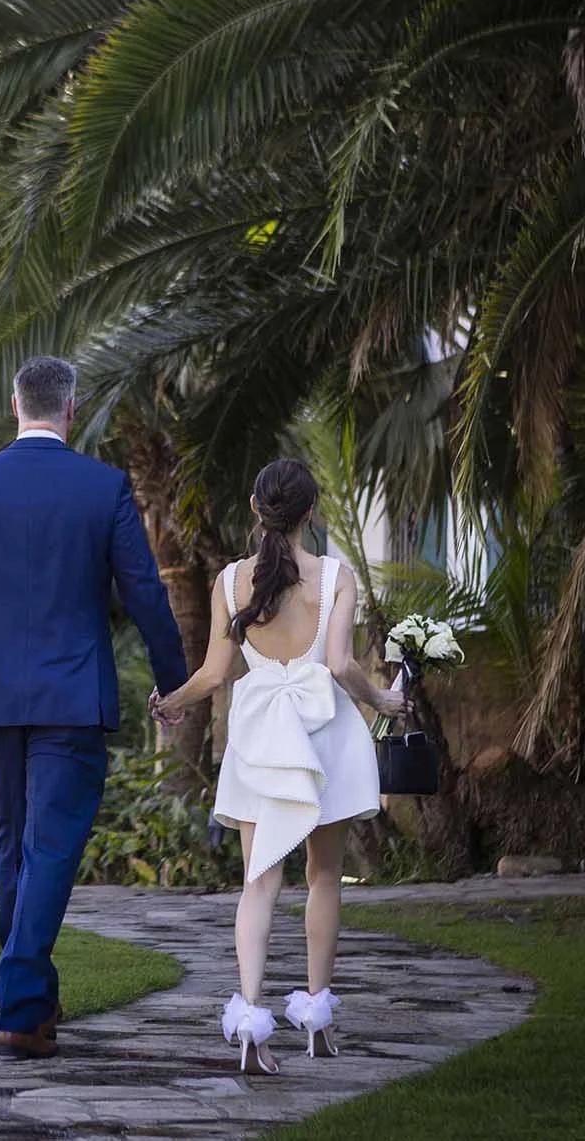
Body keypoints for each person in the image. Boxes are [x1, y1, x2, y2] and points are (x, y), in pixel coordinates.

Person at [0, 356, 189, 1060]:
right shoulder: (103, 486)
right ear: (70, 409)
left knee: (15, 843)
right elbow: (146, 593)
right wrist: (172, 678)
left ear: (14, 406)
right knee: (50, 847)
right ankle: (23, 1002)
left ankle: (30, 998)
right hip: (70, 697)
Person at [154, 457, 405, 1073]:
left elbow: (215, 675)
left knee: (259, 882)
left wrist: (171, 704)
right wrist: (385, 701)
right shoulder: (336, 576)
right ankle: (317, 1020)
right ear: (310, 514)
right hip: (325, 738)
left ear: (253, 507)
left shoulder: (230, 581)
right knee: (324, 878)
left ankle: (250, 1024)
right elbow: (344, 666)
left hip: (260, 739)